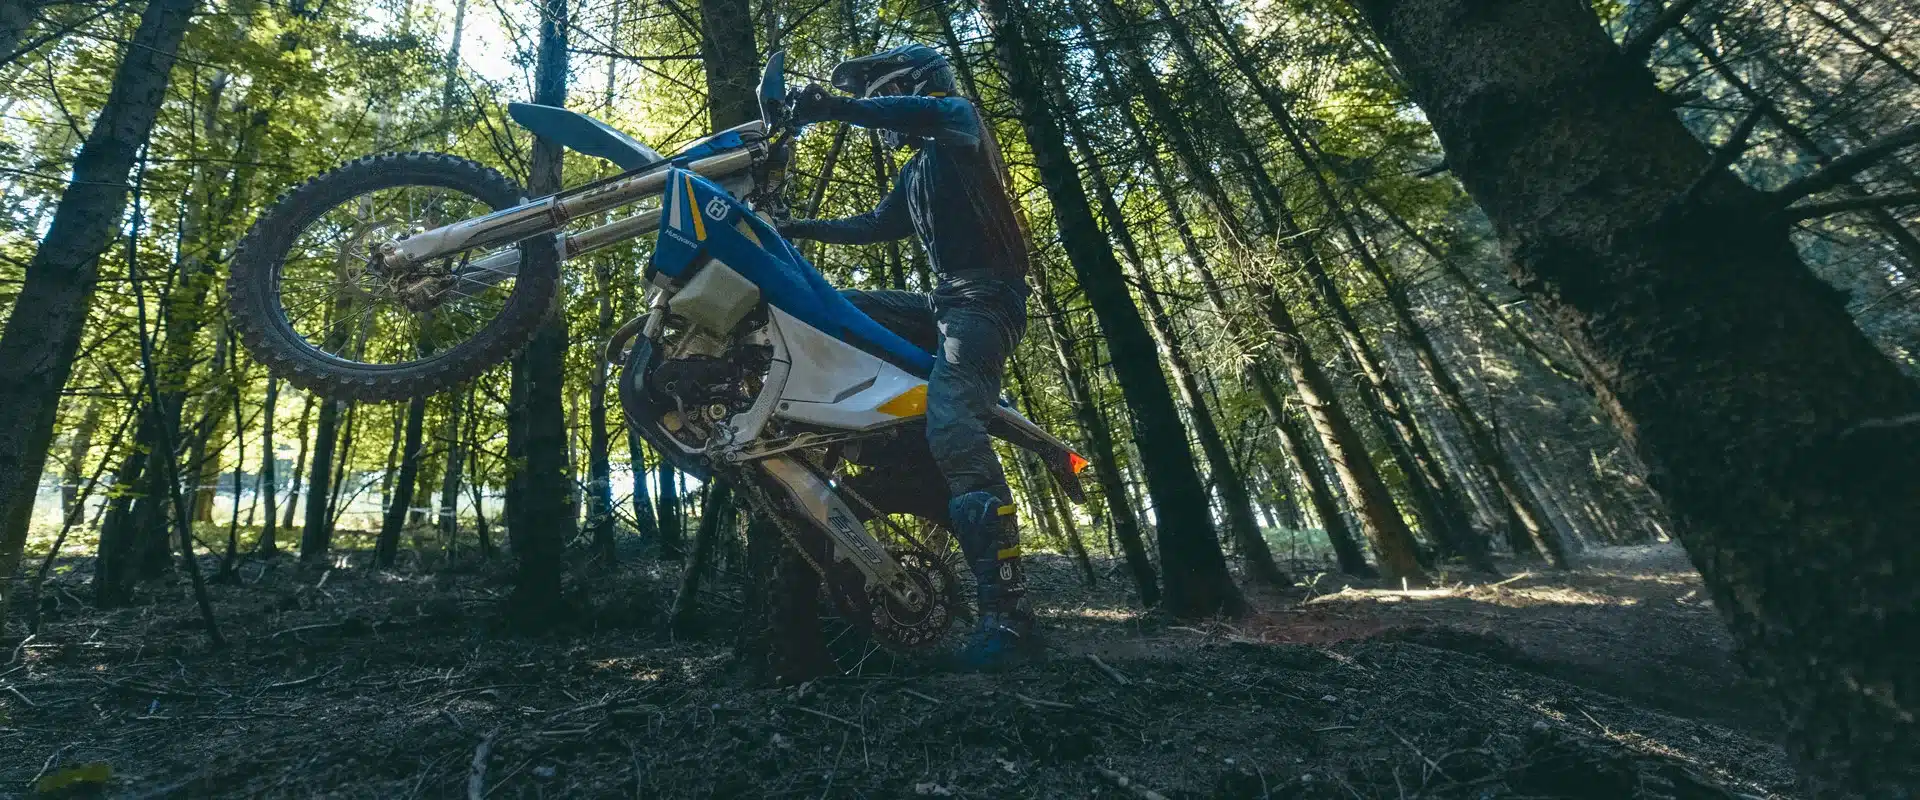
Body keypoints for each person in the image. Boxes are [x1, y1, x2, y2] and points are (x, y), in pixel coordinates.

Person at [779, 43, 1036, 668]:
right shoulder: (917, 168)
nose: (880, 117)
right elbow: (876, 225)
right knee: (836, 309)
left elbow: (922, 115)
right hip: (942, 301)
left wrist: (835, 107)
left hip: (985, 303)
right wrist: (794, 231)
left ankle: (1008, 613)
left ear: (913, 86)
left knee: (955, 430)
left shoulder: (959, 121)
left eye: (882, 99)